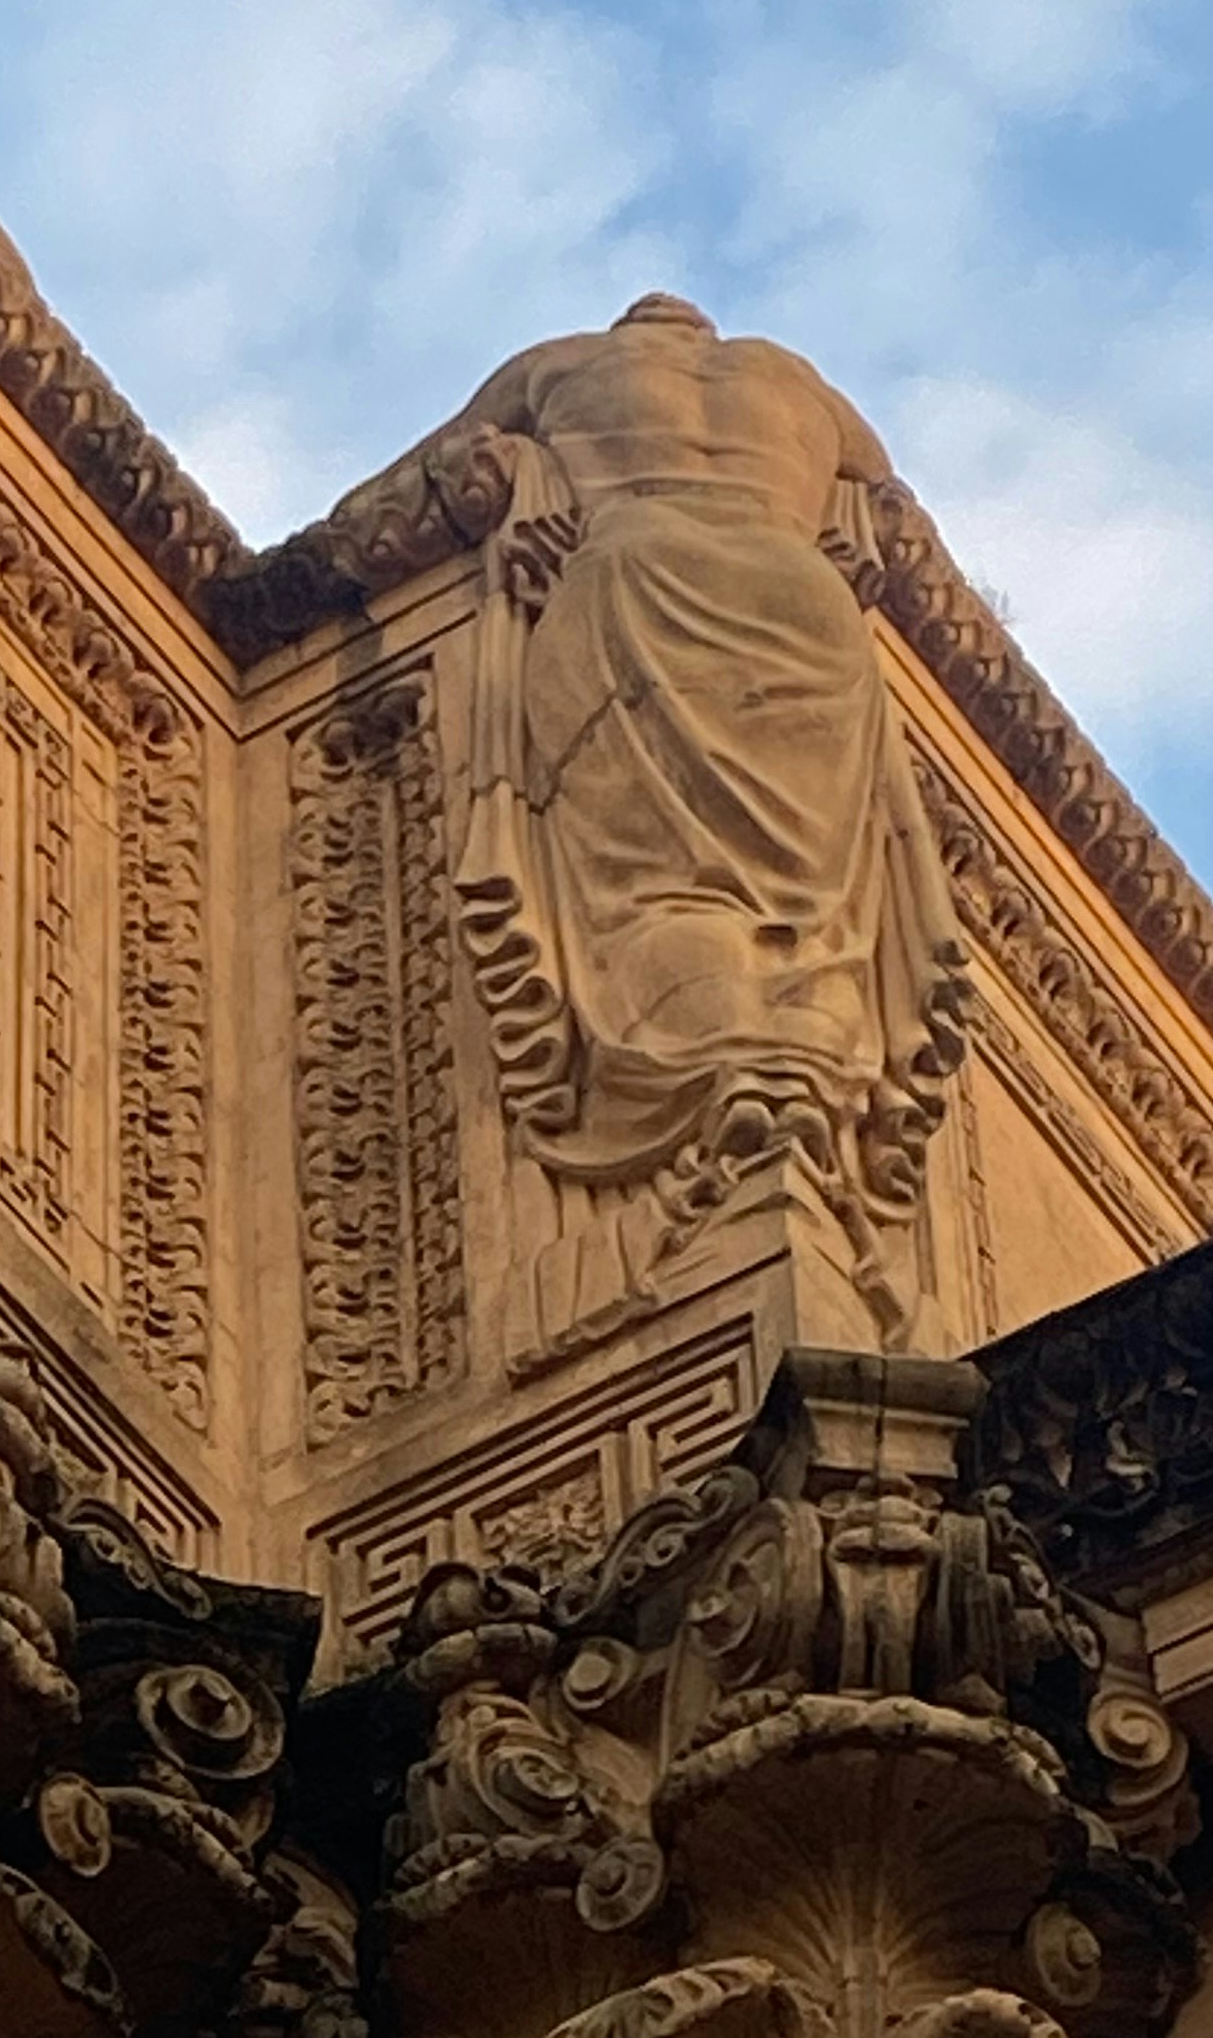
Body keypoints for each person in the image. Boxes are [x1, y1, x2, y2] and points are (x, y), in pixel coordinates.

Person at [349, 294, 964, 1358]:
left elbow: (404, 500)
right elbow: (898, 523)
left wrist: (513, 468)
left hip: (636, 577)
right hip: (801, 606)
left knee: (654, 889)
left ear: (635, 336)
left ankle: (721, 1106)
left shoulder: (558, 365)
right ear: (704, 338)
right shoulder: (801, 386)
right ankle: (797, 1109)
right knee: (806, 906)